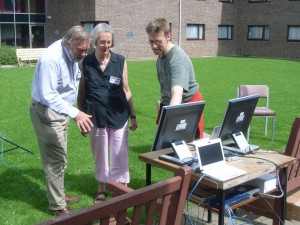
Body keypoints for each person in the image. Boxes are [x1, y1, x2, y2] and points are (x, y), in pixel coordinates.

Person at [30, 25, 94, 216]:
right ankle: (57, 207)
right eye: (80, 50)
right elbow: (49, 94)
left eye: (86, 50)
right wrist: (76, 114)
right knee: (55, 161)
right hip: (47, 113)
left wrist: (74, 115)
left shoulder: (72, 54)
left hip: (61, 112)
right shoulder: (52, 59)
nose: (83, 54)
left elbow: (70, 86)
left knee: (61, 158)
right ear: (68, 44)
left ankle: (59, 195)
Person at [77, 23, 138, 203]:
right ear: (95, 42)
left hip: (118, 115)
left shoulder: (120, 60)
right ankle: (102, 188)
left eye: (109, 42)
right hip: (94, 115)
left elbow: (126, 89)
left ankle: (119, 187)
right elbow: (82, 91)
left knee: (119, 152)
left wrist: (133, 115)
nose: (106, 46)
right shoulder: (86, 62)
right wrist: (80, 117)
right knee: (100, 152)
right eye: (102, 42)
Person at [145, 18, 204, 139]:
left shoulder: (176, 59)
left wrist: (169, 123)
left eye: (158, 41)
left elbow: (177, 92)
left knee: (188, 151)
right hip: (172, 104)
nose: (154, 46)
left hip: (187, 107)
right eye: (151, 41)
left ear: (168, 36)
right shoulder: (162, 55)